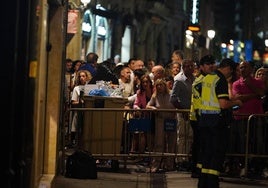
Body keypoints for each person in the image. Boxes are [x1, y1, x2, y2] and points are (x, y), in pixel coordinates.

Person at [197, 58, 243, 188]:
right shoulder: (220, 79)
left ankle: (203, 183)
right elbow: (223, 104)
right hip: (216, 123)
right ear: (228, 68)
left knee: (207, 153)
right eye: (233, 71)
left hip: (204, 120)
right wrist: (236, 102)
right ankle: (212, 183)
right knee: (216, 153)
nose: (232, 74)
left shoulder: (208, 78)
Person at [189, 55, 217, 178]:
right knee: (199, 145)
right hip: (199, 118)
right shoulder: (200, 81)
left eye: (212, 63)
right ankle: (196, 169)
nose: (211, 65)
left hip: (205, 117)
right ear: (201, 67)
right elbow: (198, 102)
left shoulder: (210, 79)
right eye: (207, 63)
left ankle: (201, 169)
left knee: (204, 145)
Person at [169, 59, 195, 171]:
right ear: (183, 67)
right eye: (187, 66)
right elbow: (173, 98)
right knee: (182, 137)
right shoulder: (179, 80)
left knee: (189, 137)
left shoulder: (195, 79)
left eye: (191, 66)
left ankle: (187, 158)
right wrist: (182, 110)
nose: (190, 68)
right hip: (182, 112)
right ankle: (180, 160)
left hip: (192, 112)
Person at [146, 79, 177, 172]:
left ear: (165, 85)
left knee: (171, 143)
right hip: (160, 120)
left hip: (171, 120)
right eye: (157, 85)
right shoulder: (155, 95)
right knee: (159, 143)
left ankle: (169, 165)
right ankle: (156, 165)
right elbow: (148, 105)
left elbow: (177, 104)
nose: (159, 87)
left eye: (161, 85)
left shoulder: (171, 94)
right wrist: (153, 107)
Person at [131, 74, 154, 153]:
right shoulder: (139, 92)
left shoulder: (154, 91)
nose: (145, 84)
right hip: (144, 115)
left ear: (150, 83)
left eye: (147, 82)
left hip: (155, 115)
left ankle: (150, 154)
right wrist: (138, 109)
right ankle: (141, 153)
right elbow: (135, 104)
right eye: (143, 82)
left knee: (151, 136)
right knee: (142, 134)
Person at [70, 70, 92, 147]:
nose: (81, 78)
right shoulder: (76, 88)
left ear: (87, 77)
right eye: (80, 76)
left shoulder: (90, 87)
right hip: (79, 111)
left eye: (83, 76)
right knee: (77, 128)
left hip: (88, 112)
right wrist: (81, 102)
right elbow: (73, 102)